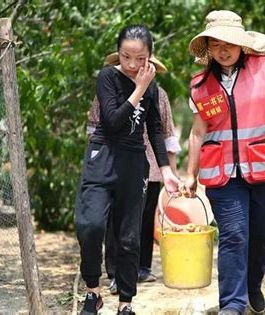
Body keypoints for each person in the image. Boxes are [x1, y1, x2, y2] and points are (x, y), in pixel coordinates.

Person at [181, 10, 265, 314]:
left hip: (264, 168)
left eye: (229, 43)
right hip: (222, 174)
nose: (223, 50)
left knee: (262, 234)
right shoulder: (199, 85)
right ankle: (232, 303)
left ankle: (253, 284)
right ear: (209, 49)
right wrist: (190, 173)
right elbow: (197, 132)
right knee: (234, 234)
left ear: (242, 44)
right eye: (215, 44)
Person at [75, 25, 180, 315]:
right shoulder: (108, 77)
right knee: (91, 225)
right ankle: (93, 291)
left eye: (140, 58)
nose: (133, 65)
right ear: (118, 53)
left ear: (150, 57)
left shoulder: (153, 86)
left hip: (134, 162)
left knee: (130, 238)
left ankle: (125, 303)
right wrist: (140, 89)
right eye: (126, 57)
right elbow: (112, 121)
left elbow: (154, 131)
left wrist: (166, 169)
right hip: (103, 157)